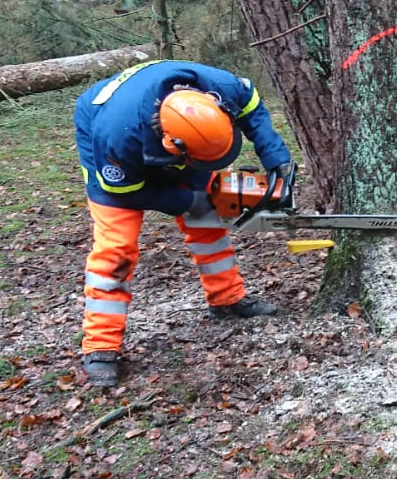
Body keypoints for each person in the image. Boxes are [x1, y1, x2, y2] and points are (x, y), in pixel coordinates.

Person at [74, 60, 293, 387]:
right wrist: (187, 200)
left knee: (207, 221)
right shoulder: (115, 137)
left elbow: (252, 105)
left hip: (180, 134)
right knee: (115, 249)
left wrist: (276, 159)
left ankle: (226, 298)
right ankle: (101, 346)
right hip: (110, 147)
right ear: (171, 147)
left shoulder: (222, 86)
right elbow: (127, 191)